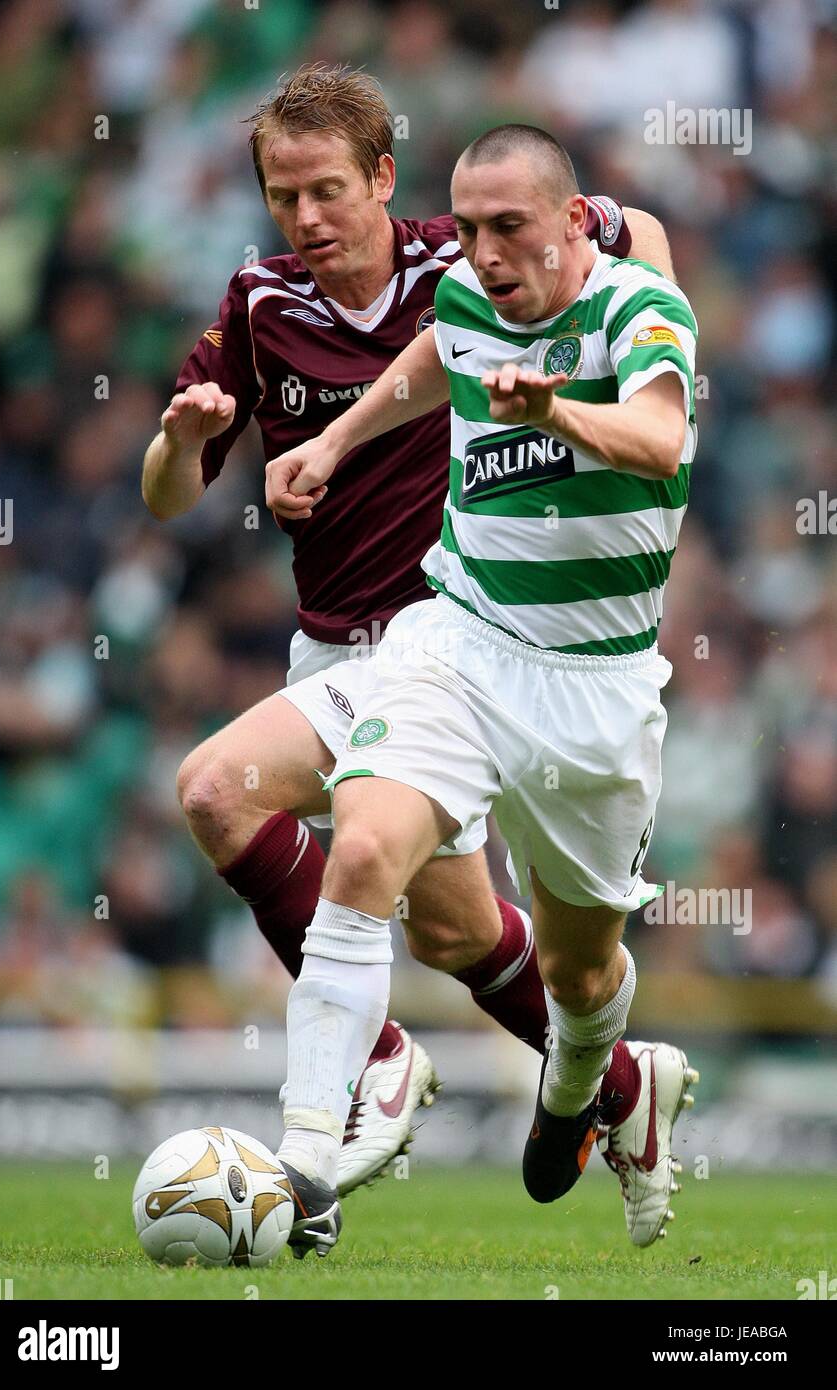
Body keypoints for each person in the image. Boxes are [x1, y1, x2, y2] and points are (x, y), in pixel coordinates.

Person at [141, 63, 676, 1202]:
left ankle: (377, 1097)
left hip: (454, 634)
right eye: (283, 197)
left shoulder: (470, 249)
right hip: (353, 651)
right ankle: (576, 1087)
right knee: (444, 931)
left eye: (326, 190)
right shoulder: (259, 303)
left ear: (382, 178)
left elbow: (636, 244)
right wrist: (187, 439)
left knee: (228, 796)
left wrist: (640, 343)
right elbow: (165, 496)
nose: (306, 218)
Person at [262, 122, 699, 1257]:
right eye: (464, 229)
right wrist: (341, 441)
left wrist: (550, 409)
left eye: (508, 226)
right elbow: (429, 363)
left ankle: (586, 1092)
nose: (483, 251)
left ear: (573, 221)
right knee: (362, 850)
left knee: (580, 966)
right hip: (458, 639)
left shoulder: (637, 311)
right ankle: (302, 1160)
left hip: (593, 692)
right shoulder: (462, 298)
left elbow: (658, 437)